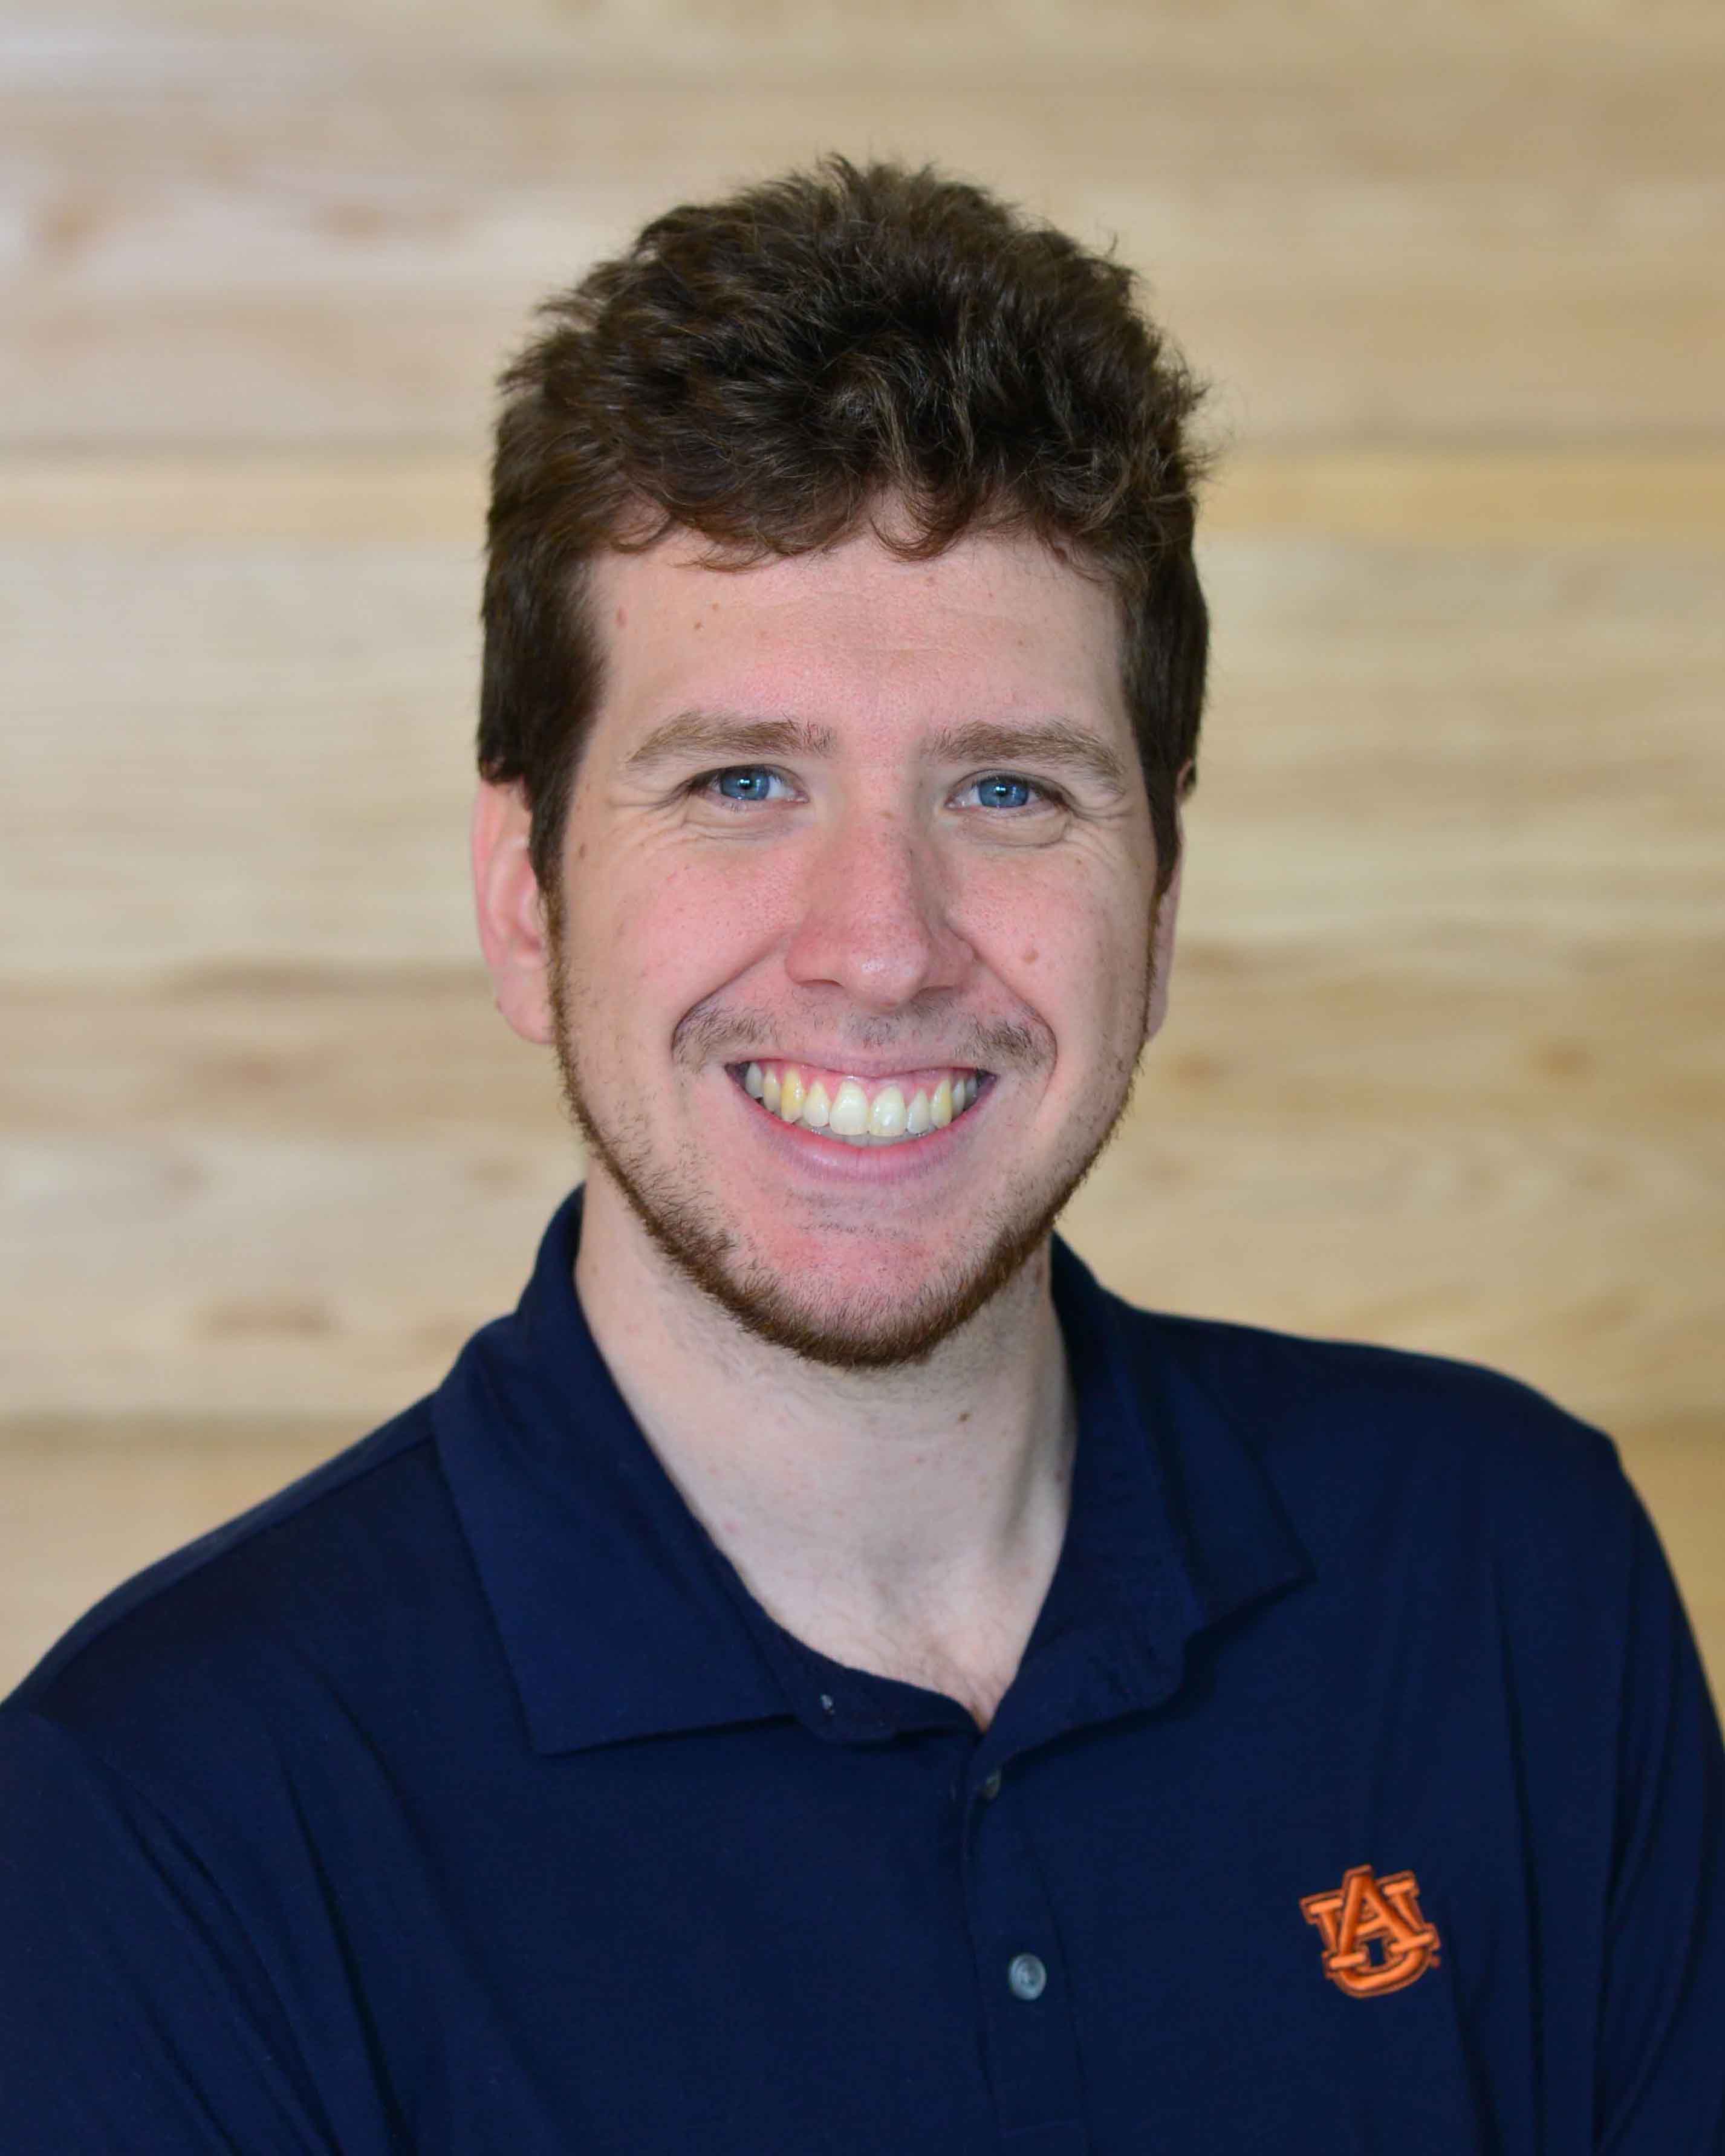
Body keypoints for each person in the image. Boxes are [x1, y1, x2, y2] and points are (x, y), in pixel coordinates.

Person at [1, 158, 1720, 2154]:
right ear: (526, 896)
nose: (883, 946)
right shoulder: (160, 1823)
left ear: (1160, 913)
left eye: (1011, 790)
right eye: (743, 781)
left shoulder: (1510, 1581)